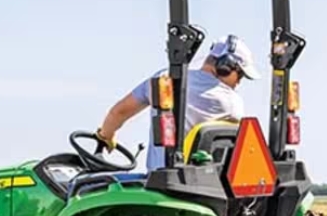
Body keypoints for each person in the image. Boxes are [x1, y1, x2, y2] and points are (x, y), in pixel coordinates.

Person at [95, 34, 259, 170]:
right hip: (209, 183)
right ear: (226, 66)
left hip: (161, 181)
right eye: (240, 75)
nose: (239, 82)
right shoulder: (234, 103)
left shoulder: (164, 79)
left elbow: (119, 112)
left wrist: (106, 136)